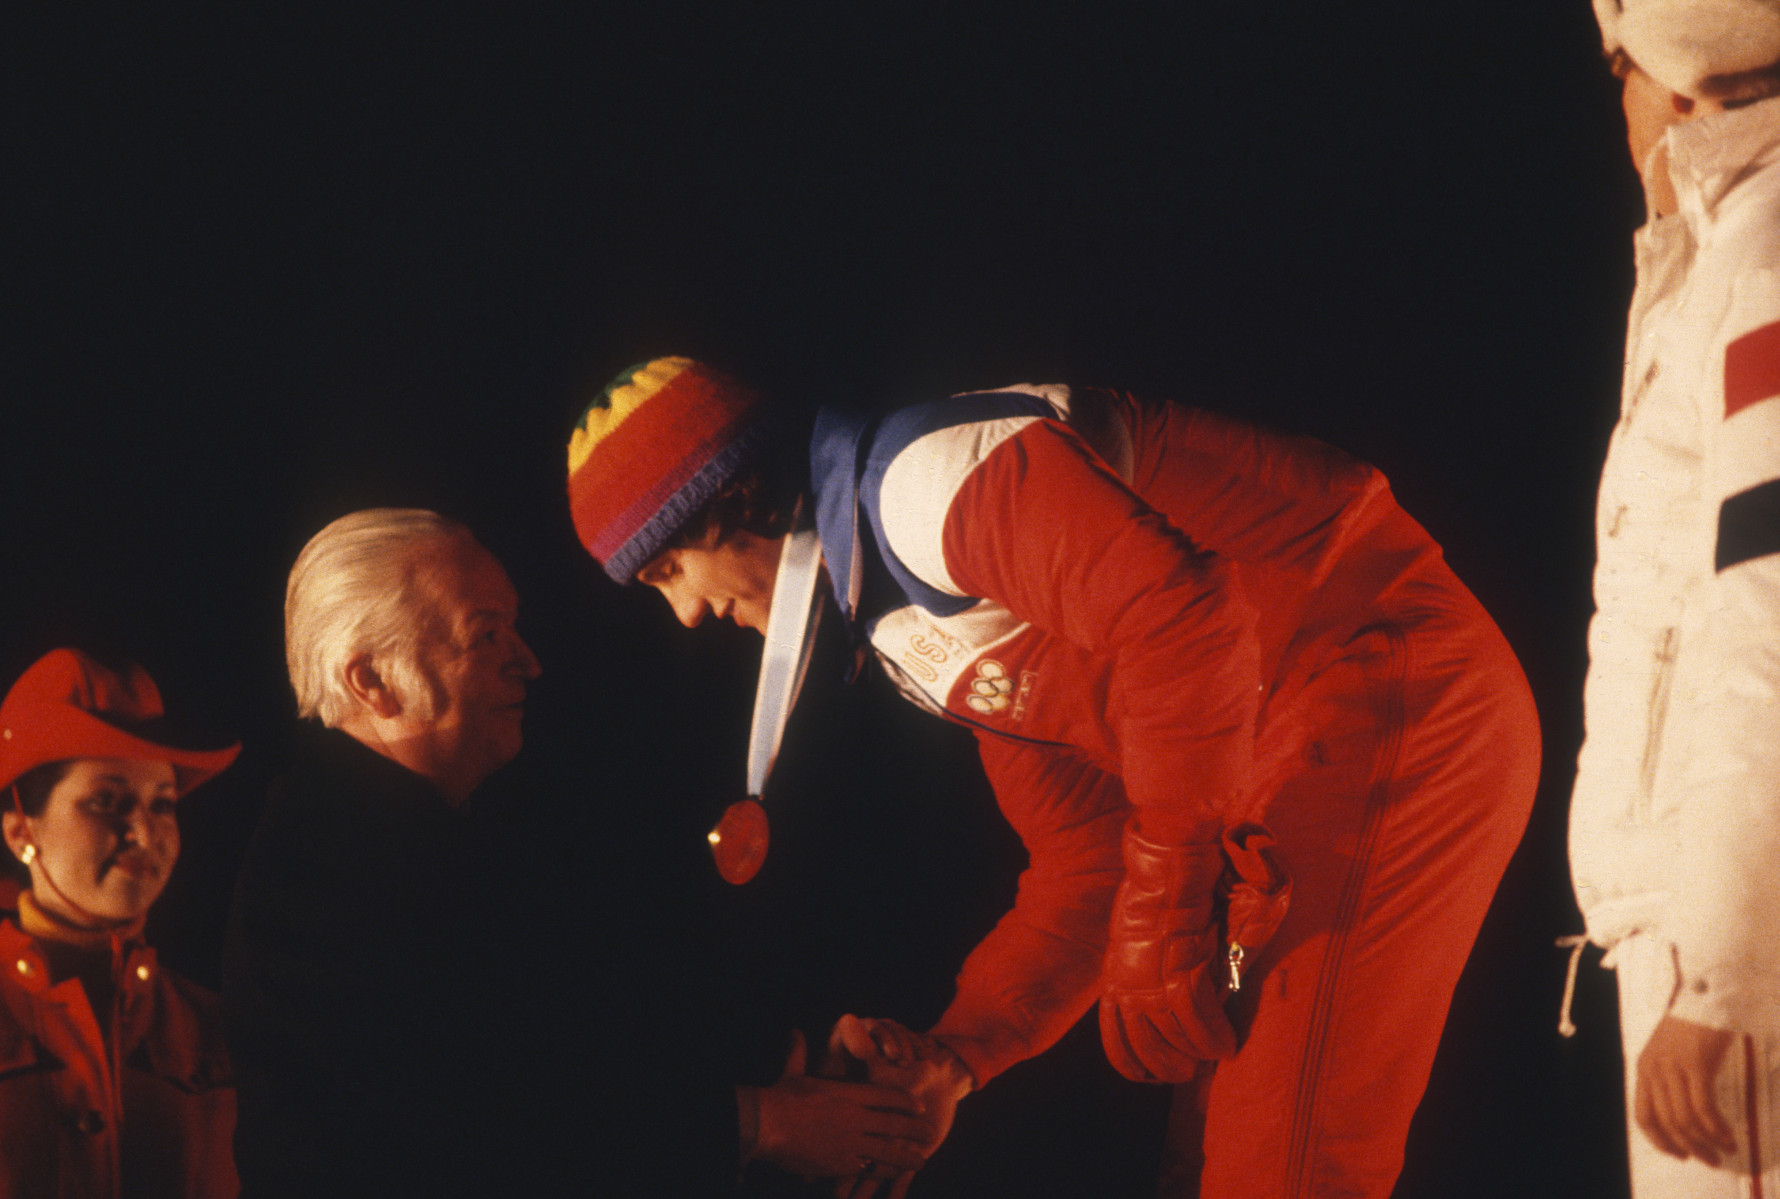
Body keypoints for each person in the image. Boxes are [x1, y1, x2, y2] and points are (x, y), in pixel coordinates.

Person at [565, 356, 1542, 1198]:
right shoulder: (900, 626)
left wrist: (1164, 906)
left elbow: (1183, 624)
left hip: (1383, 691)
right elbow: (1087, 853)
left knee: (1279, 1167)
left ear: (727, 499)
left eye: (665, 574)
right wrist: (957, 1052)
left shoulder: (924, 480)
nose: (686, 614)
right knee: (1206, 1166)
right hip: (1281, 763)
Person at [223, 507, 933, 1199]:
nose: (529, 661)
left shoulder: (471, 830)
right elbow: (481, 1121)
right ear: (370, 680)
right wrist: (763, 1122)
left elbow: (598, 1034)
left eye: (515, 625)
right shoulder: (309, 879)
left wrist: (794, 1065)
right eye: (487, 633)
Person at [1567, 2, 1780, 1193]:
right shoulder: (1729, 253)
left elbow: (1768, 610)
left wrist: (1726, 971)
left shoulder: (1761, 254)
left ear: (1671, 80)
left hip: (1732, 945)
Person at [0, 646, 241, 1199]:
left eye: (162, 804)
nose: (144, 830)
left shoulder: (222, 1034)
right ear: (20, 832)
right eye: (107, 800)